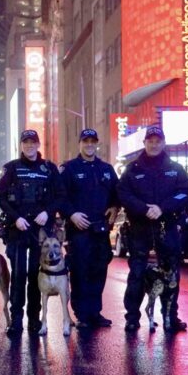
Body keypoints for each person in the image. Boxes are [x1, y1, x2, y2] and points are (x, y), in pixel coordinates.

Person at [117, 126, 188, 333]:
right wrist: (143, 209)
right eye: (150, 140)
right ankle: (132, 318)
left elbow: (184, 193)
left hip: (166, 227)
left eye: (158, 140)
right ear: (145, 143)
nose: (154, 144)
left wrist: (162, 209)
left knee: (171, 275)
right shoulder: (132, 169)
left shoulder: (175, 168)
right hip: (139, 228)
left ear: (164, 143)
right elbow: (123, 194)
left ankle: (170, 317)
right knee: (137, 274)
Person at [0, 129, 61, 336]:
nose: (29, 146)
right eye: (26, 142)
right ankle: (16, 319)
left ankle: (34, 318)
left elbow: (60, 196)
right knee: (18, 275)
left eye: (33, 142)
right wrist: (16, 217)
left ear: (38, 144)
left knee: (35, 274)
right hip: (18, 229)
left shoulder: (49, 169)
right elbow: (1, 197)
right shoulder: (12, 168)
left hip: (40, 232)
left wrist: (47, 212)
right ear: (21, 145)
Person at [58, 128, 120, 329]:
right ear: (80, 143)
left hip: (100, 230)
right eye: (86, 141)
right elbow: (60, 197)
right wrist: (72, 214)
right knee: (80, 272)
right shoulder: (69, 169)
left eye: (93, 141)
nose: (89, 144)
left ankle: (95, 312)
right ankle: (82, 313)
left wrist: (114, 206)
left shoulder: (106, 169)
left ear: (97, 144)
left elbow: (117, 193)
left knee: (99, 272)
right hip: (79, 230)